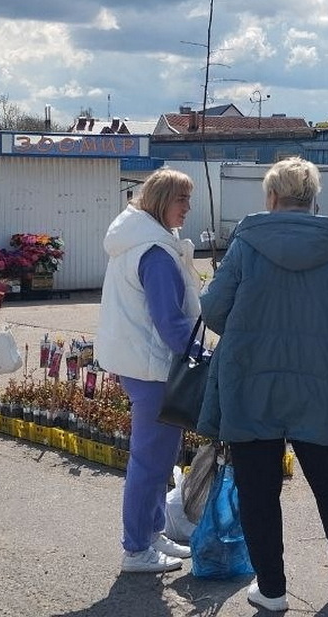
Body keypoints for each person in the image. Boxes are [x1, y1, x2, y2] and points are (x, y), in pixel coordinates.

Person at [197, 157, 328, 611]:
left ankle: (274, 592)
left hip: (252, 382)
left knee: (260, 491)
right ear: (313, 200)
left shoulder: (246, 245)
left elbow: (213, 310)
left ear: (272, 197)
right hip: (323, 385)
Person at [96, 167, 201, 574]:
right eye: (182, 200)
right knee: (151, 461)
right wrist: (203, 357)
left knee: (158, 456)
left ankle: (152, 533)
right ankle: (137, 548)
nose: (188, 208)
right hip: (153, 366)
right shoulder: (154, 252)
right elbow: (170, 323)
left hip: (141, 363)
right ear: (160, 202)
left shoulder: (141, 242)